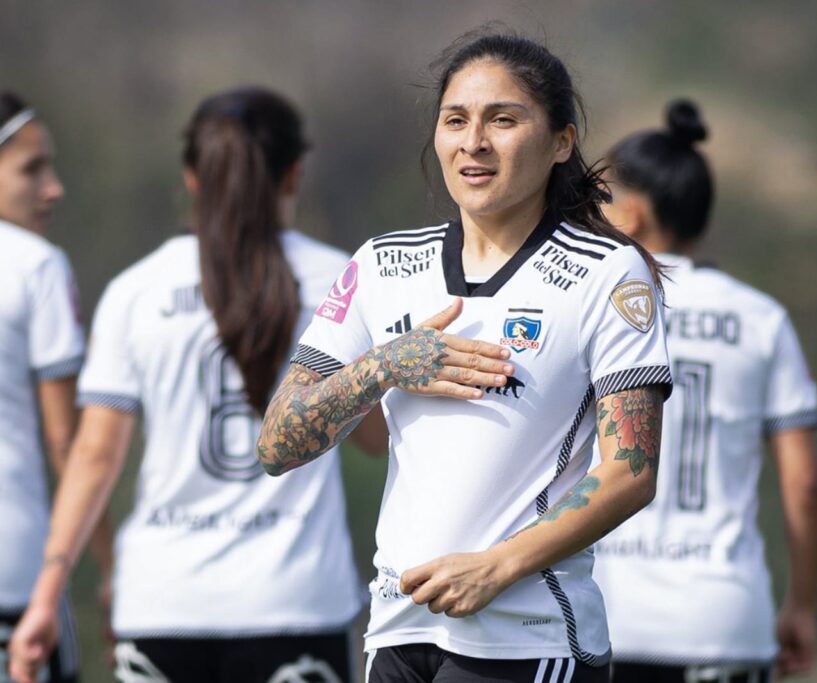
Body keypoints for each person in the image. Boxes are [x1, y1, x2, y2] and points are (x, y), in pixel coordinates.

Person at [257, 31, 673, 683]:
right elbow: (278, 441)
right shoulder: (381, 264)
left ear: (561, 141)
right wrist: (386, 365)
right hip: (396, 630)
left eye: (502, 120)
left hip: (527, 638)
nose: (473, 141)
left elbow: (631, 470)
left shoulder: (610, 273)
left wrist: (498, 566)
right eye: (456, 120)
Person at [8, 87, 387, 683]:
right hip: (294, 601)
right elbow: (374, 438)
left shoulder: (137, 291)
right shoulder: (343, 279)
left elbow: (93, 456)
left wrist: (47, 592)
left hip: (162, 605)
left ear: (191, 177)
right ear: (294, 174)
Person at [591, 100, 817, 682]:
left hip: (604, 619)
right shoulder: (760, 318)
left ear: (634, 215)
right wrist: (802, 605)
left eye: (599, 202)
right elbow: (804, 485)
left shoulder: (596, 310)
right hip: (724, 623)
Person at [0, 91, 112, 683]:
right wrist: (109, 566)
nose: (53, 188)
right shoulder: (34, 264)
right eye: (31, 168)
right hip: (13, 581)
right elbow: (69, 443)